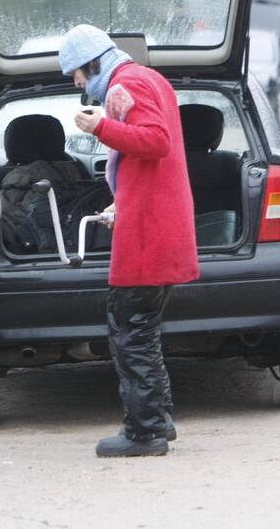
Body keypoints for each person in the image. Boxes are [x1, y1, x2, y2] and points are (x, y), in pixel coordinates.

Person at [58, 24, 199, 458]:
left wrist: (102, 128)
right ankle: (160, 420)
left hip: (149, 230)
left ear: (94, 60)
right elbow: (154, 157)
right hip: (155, 219)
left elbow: (155, 141)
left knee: (129, 330)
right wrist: (122, 199)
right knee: (143, 329)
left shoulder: (127, 83)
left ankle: (145, 432)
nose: (78, 83)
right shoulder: (148, 77)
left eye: (78, 74)